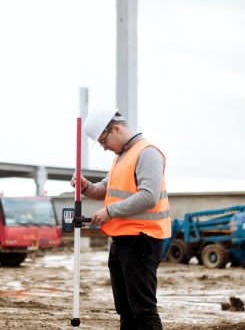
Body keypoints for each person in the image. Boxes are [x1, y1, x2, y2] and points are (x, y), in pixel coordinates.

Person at [71, 108, 171, 330]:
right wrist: (86, 187)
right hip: (121, 240)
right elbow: (105, 190)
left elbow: (148, 196)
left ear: (116, 129)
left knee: (143, 309)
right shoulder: (121, 157)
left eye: (103, 141)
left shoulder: (147, 153)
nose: (105, 147)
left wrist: (109, 212)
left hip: (141, 240)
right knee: (125, 309)